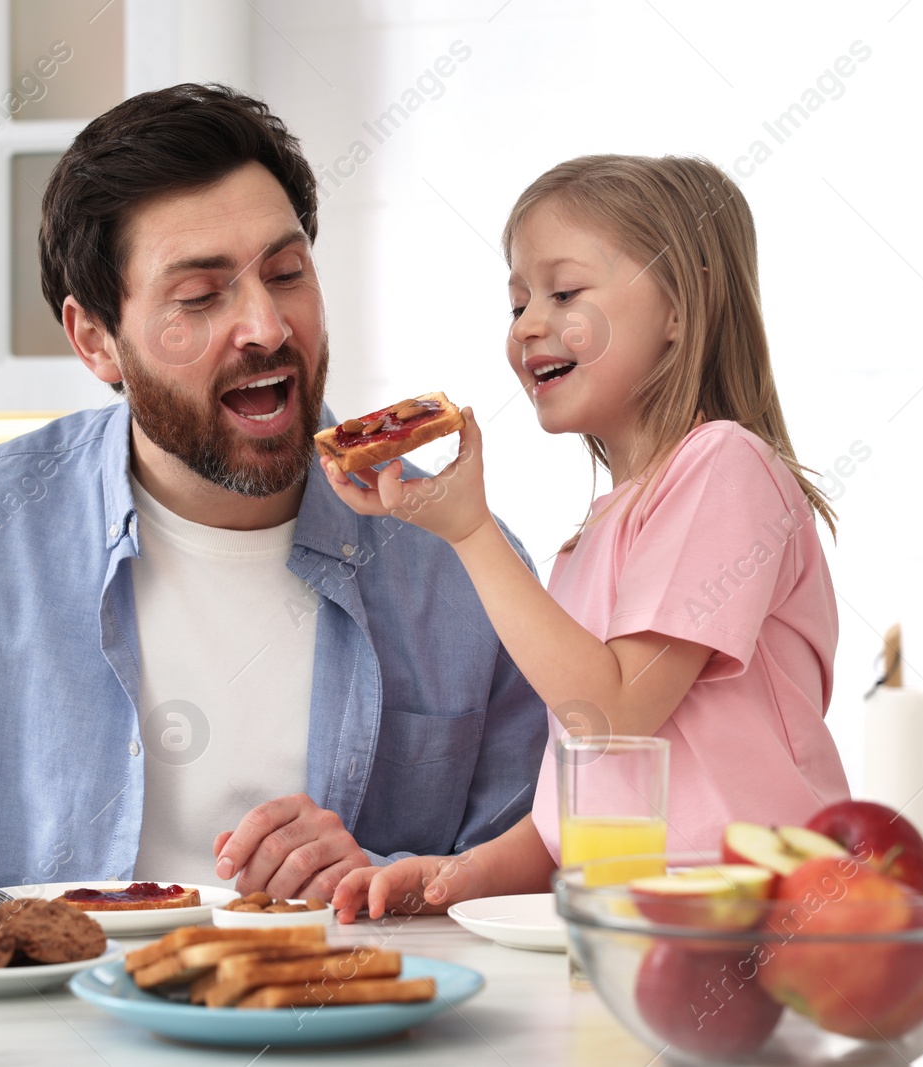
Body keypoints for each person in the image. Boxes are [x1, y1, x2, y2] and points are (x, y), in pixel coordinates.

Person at [0, 84, 546, 901]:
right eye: (200, 298)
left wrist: (385, 882)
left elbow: (547, 873)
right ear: (96, 340)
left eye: (286, 273)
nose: (268, 327)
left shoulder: (463, 559)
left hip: (334, 1016)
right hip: (49, 1024)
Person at [325, 155, 851, 920]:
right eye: (516, 304)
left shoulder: (725, 466)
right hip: (637, 929)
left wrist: (470, 533)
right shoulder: (582, 550)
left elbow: (611, 713)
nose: (529, 323)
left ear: (680, 308)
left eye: (564, 292)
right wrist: (456, 874)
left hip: (770, 917)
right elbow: (583, 813)